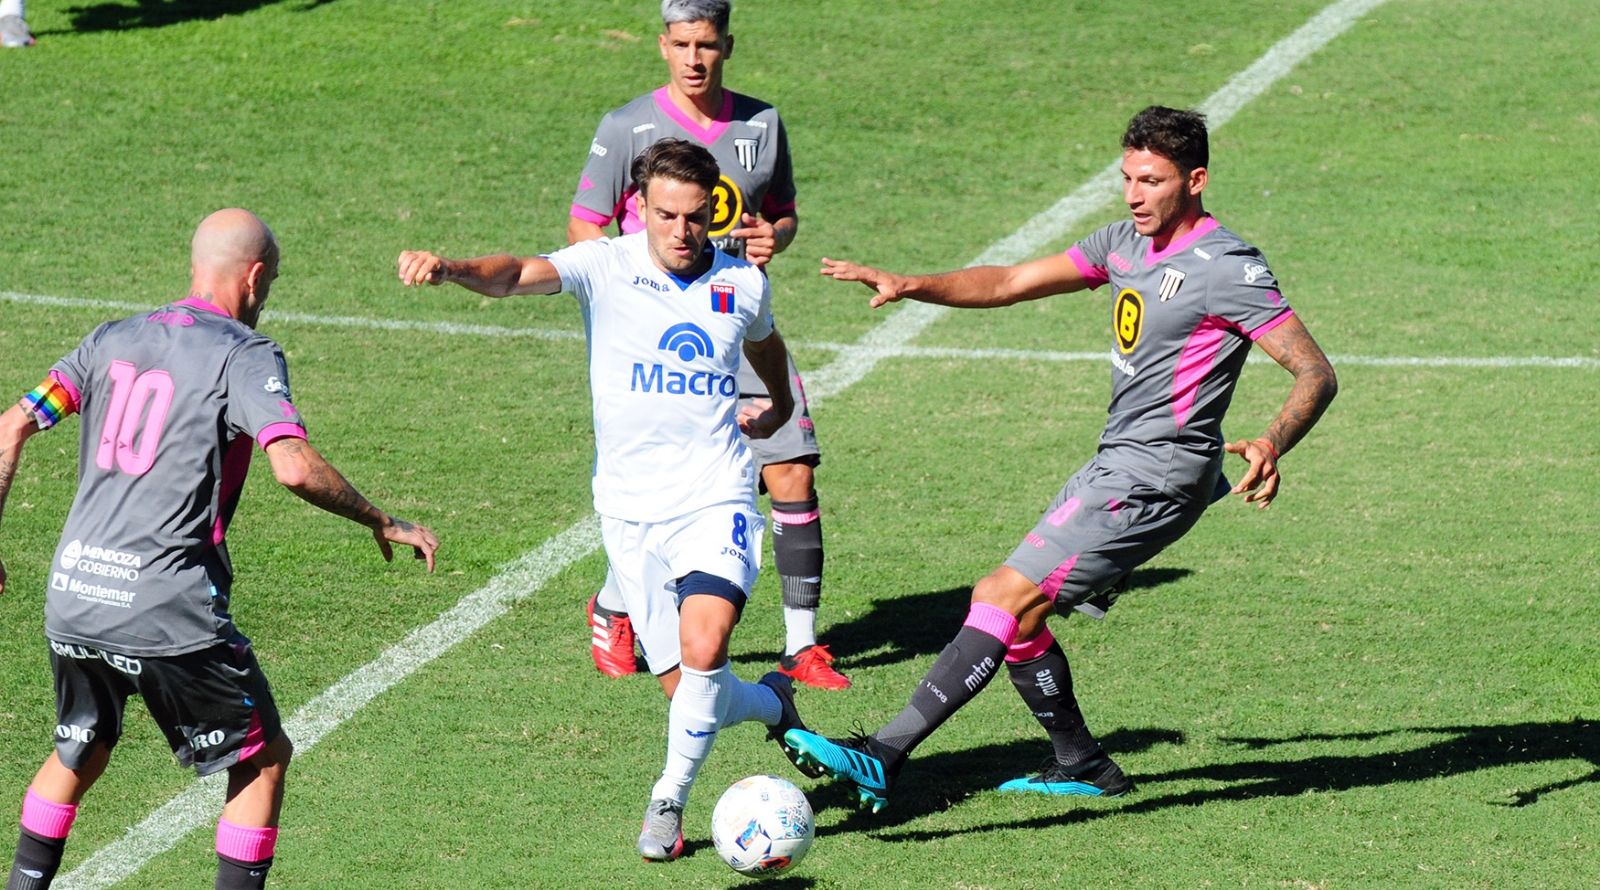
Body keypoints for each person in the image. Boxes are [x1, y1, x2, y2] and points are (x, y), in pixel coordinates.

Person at [785, 106, 1339, 811]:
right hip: (1117, 462)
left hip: (1157, 475)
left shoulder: (1226, 267)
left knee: (1000, 596)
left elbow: (1316, 371)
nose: (1133, 195)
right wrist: (913, 284)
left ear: (1195, 180)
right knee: (1023, 619)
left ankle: (882, 754)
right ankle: (1083, 763)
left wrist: (1273, 440)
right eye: (1127, 178)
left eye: (1151, 181)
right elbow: (1011, 281)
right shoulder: (1123, 242)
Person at [398, 139, 814, 861]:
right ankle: (774, 701)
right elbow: (516, 274)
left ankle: (667, 801)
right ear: (641, 207)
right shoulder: (604, 264)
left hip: (715, 496)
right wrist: (452, 268)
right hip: (627, 510)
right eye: (665, 215)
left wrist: (779, 406)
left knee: (705, 646)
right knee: (691, 691)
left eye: (694, 217)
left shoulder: (740, 282)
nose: (681, 231)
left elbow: (766, 342)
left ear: (712, 211)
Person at [0, 209, 440, 890]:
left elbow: (11, 427)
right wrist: (379, 519)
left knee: (80, 746)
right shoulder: (243, 353)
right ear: (255, 277)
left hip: (76, 593)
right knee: (262, 760)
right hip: (164, 605)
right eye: (272, 282)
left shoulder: (109, 340)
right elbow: (292, 466)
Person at [569, 0, 849, 690]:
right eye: (683, 44)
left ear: (728, 45)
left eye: (708, 45)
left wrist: (774, 238)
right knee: (669, 490)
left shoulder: (762, 123)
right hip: (662, 338)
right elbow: (584, 225)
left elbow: (782, 215)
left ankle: (801, 646)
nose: (695, 59)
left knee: (793, 467)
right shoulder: (627, 126)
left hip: (735, 321)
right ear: (662, 45)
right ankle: (615, 604)